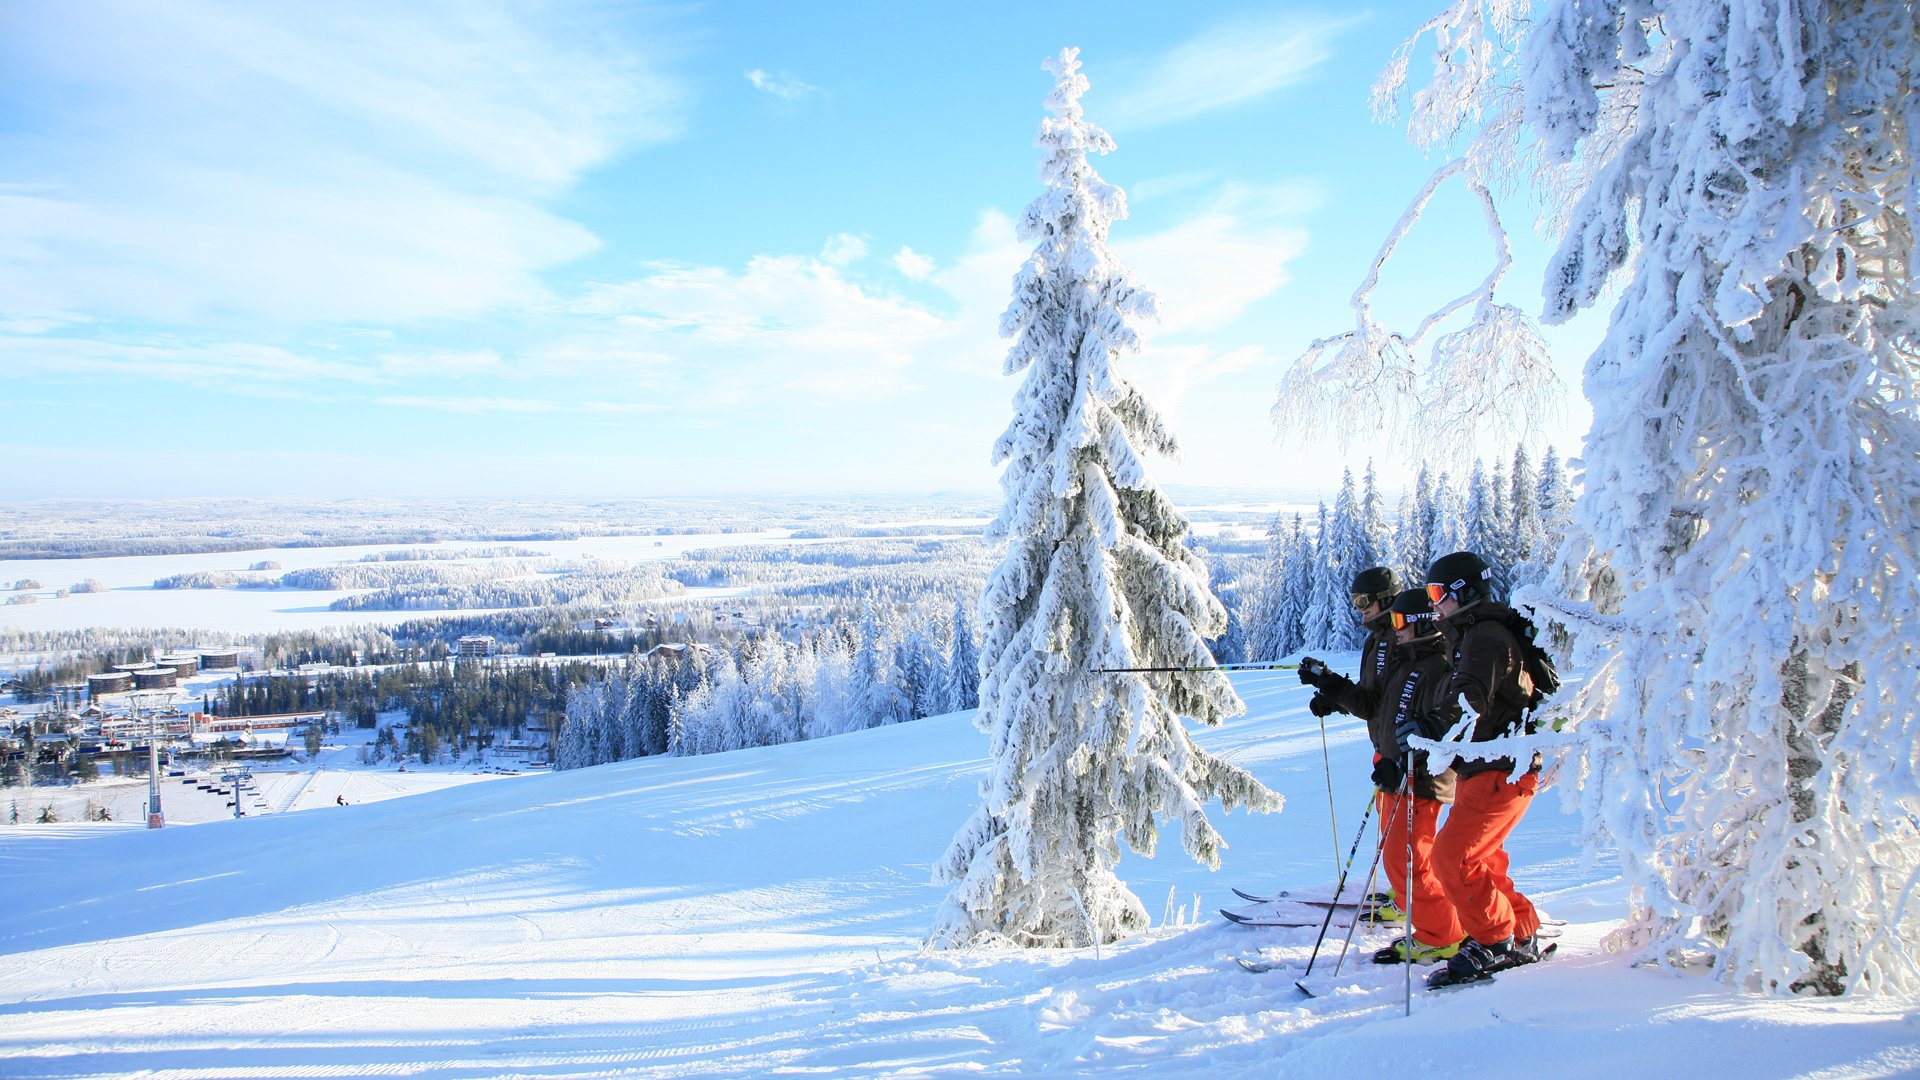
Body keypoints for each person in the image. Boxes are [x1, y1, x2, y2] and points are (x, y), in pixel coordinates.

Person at [1423, 550, 1544, 984]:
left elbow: (1469, 695)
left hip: (1501, 769)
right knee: (1482, 858)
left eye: (1438, 593)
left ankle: (1494, 940)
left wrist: (1435, 724)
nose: (1433, 603)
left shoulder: (1485, 637)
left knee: (1453, 858)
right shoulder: (1473, 634)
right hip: (1488, 768)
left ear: (1464, 593)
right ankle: (1521, 929)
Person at [1298, 566, 1405, 922]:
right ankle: (1406, 893)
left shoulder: (1395, 639)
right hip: (1385, 747)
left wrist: (1330, 684)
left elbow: (1374, 704)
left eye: (1364, 601)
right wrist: (1334, 697)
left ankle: (1417, 902)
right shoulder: (1378, 637)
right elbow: (1370, 695)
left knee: (1401, 834)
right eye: (1355, 601)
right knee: (1392, 829)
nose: (1359, 608)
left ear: (1385, 599)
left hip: (1400, 753)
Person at [1367, 588, 1465, 964]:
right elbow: (1389, 716)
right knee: (1402, 860)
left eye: (1399, 622)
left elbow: (1441, 729)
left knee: (1410, 863)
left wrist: (1408, 762)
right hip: (1401, 776)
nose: (1395, 631)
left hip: (1421, 782)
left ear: (1421, 623)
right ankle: (1442, 926)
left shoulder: (1438, 667)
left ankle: (1441, 935)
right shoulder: (1409, 663)